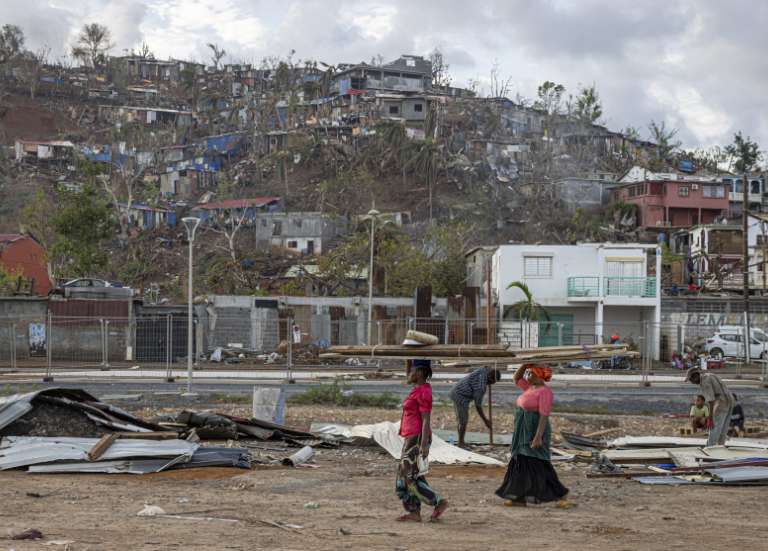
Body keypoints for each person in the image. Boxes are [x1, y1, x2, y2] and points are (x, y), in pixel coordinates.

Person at [496, 364, 569, 507]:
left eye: (530, 374)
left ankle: (561, 495)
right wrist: (525, 365)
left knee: (539, 463)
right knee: (520, 461)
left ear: (539, 376)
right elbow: (516, 377)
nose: (527, 376)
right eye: (528, 374)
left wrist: (538, 437)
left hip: (534, 429)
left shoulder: (544, 392)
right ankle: (518, 497)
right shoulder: (530, 388)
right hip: (522, 429)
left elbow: (543, 416)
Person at [395, 359, 448, 522]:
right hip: (410, 437)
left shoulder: (424, 392)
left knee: (408, 476)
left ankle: (438, 501)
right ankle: (414, 511)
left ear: (419, 373)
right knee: (408, 476)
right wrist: (408, 356)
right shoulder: (417, 388)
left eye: (412, 371)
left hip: (417, 438)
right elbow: (407, 376)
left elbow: (426, 419)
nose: (409, 373)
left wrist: (424, 444)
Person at [449, 366, 502, 447]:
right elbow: (478, 405)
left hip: (457, 391)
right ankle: (461, 443)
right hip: (460, 396)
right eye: (492, 382)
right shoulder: (481, 387)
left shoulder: (484, 370)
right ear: (490, 378)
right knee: (463, 420)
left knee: (461, 419)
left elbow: (486, 367)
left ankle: (461, 441)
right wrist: (485, 420)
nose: (491, 384)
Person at [685, 367, 734, 446]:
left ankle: (710, 448)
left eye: (691, 380)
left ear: (696, 376)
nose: (691, 382)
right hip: (730, 399)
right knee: (723, 428)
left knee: (714, 427)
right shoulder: (709, 375)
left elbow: (711, 401)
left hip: (721, 402)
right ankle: (720, 446)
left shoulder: (704, 382)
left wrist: (710, 418)